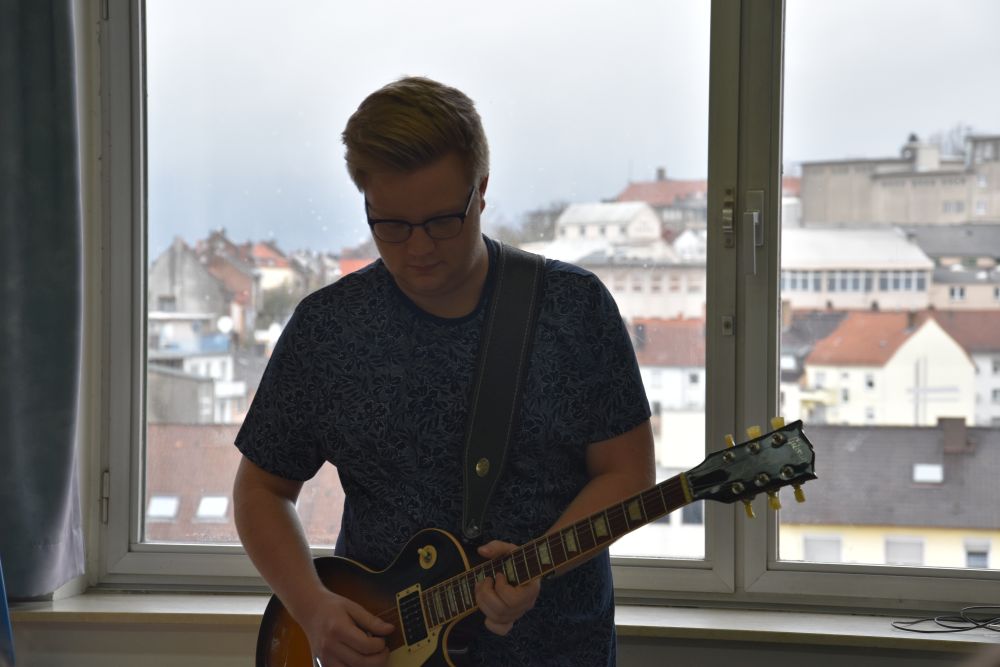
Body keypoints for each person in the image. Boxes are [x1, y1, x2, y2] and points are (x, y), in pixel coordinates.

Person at [233, 76, 654, 667]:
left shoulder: (573, 308)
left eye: (440, 222)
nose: (419, 248)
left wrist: (540, 564)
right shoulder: (328, 328)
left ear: (481, 191)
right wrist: (312, 606)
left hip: (557, 650)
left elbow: (628, 473)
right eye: (391, 225)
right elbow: (261, 489)